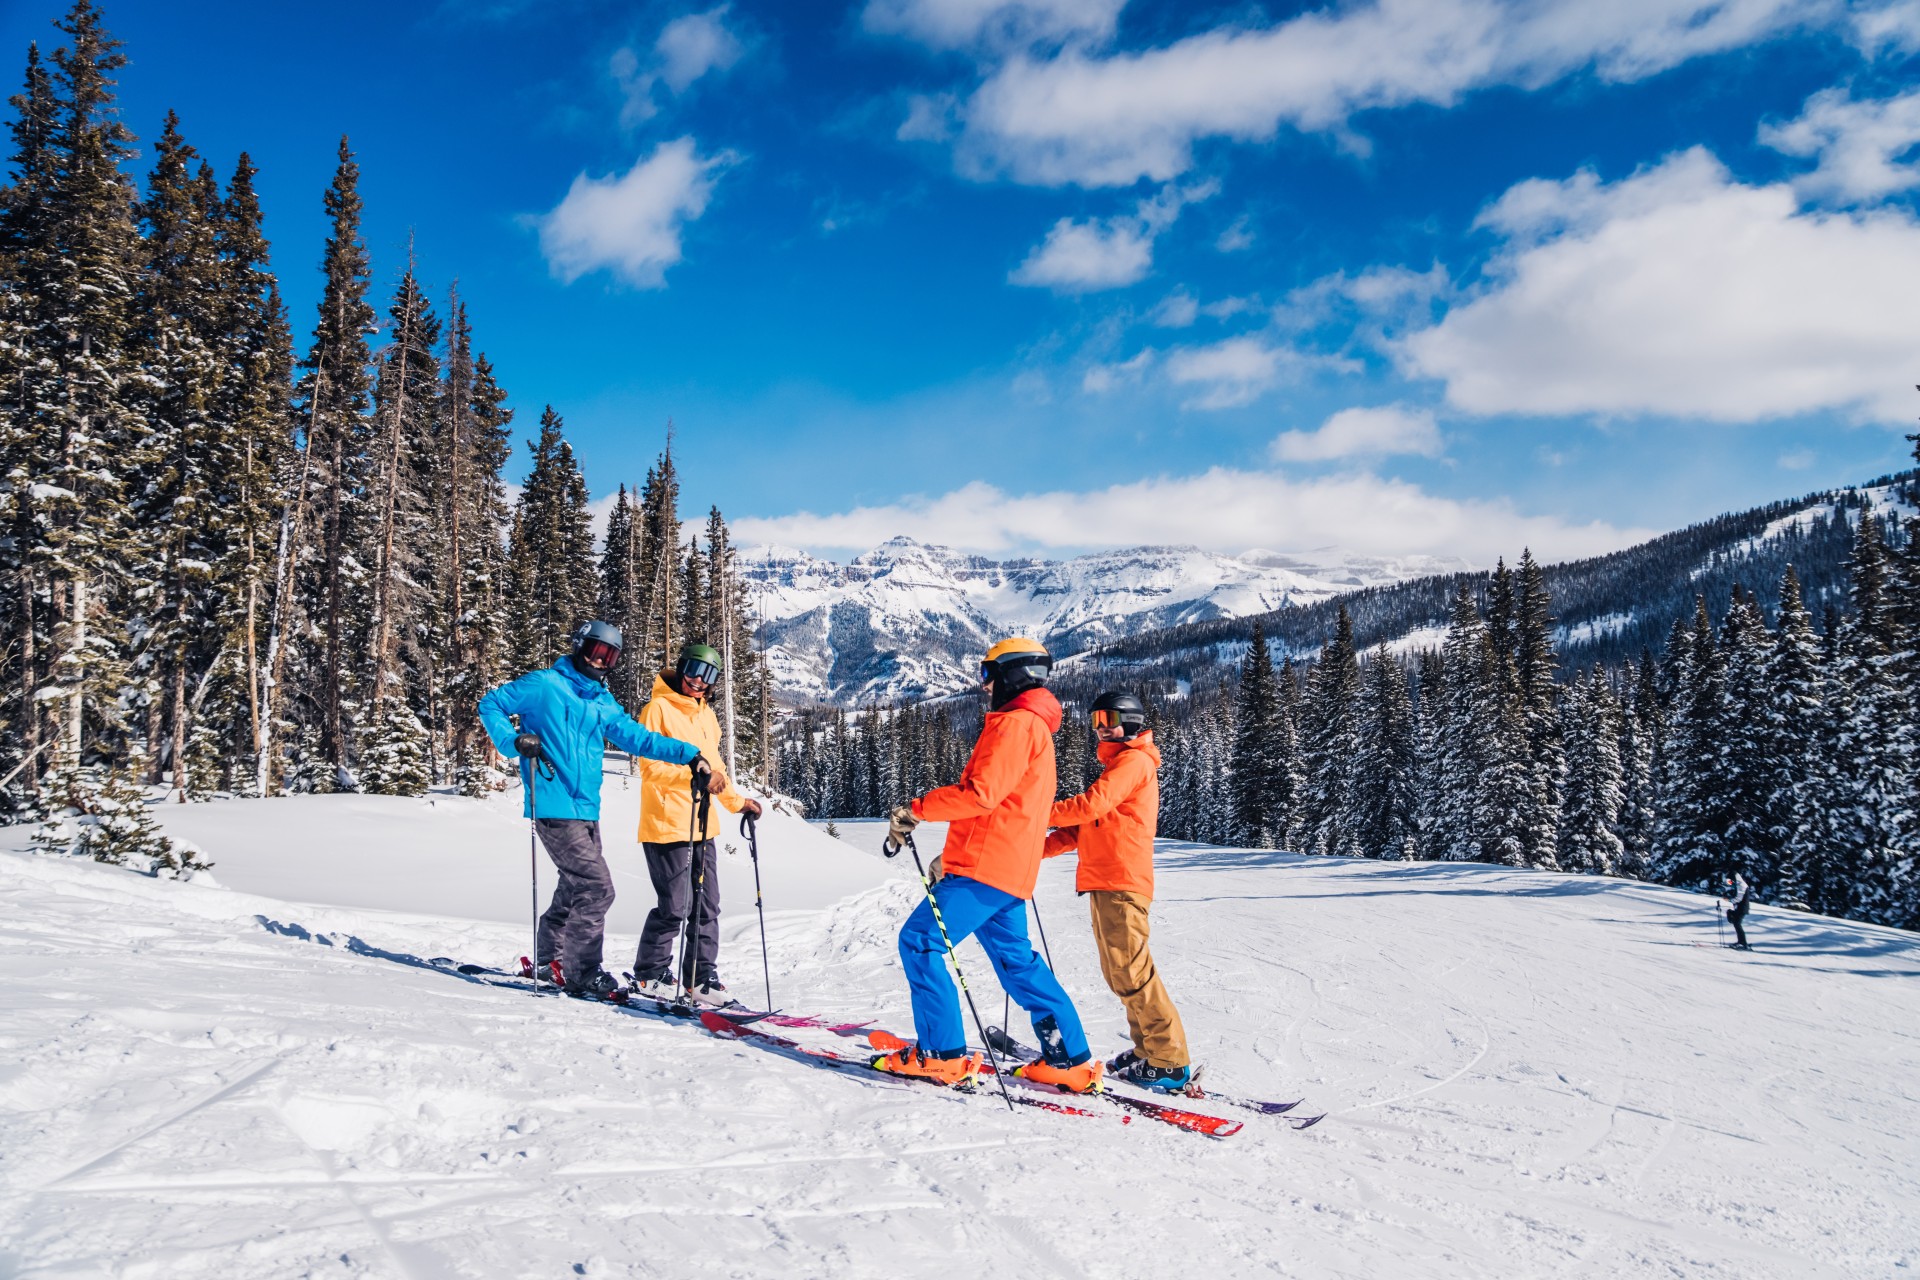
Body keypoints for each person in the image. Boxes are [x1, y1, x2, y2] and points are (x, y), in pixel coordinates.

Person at [876, 638, 1100, 1093]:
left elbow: (982, 794)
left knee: (920, 943)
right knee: (1018, 963)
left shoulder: (1015, 725)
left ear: (1012, 676)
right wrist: (951, 856)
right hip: (1006, 868)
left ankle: (940, 1056)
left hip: (985, 867)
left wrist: (917, 808)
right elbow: (1007, 807)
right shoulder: (1035, 727)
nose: (984, 686)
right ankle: (1069, 1060)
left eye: (988, 675)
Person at [479, 620, 707, 1000]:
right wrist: (513, 740)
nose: (601, 661)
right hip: (552, 803)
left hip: (586, 809)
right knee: (597, 888)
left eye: (611, 656)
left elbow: (637, 738)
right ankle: (582, 973)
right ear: (579, 647)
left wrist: (688, 754)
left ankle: (548, 959)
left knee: (574, 887)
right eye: (596, 651)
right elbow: (492, 703)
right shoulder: (544, 685)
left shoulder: (601, 702)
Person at [1043, 690, 1192, 1094]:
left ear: (1130, 720)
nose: (1100, 727)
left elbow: (1092, 804)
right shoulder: (1119, 765)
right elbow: (1079, 828)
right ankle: (1149, 1049)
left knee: (1133, 971)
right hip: (1104, 881)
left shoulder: (1133, 761)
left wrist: (1035, 809)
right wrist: (1032, 850)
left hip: (1121, 881)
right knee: (1120, 973)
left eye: (1108, 718)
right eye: (1095, 720)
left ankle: (1170, 1060)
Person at [629, 642, 763, 1005]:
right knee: (674, 906)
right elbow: (650, 767)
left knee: (707, 906)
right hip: (666, 822)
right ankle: (650, 973)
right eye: (693, 671)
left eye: (709, 676)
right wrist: (693, 777)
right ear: (681, 668)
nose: (699, 682)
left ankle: (699, 978)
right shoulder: (657, 709)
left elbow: (715, 767)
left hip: (703, 824)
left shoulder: (706, 714)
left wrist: (737, 803)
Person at [1722, 870, 1753, 950]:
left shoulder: (1741, 885)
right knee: (1736, 923)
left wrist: (1729, 900)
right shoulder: (1739, 884)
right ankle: (1741, 942)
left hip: (1742, 908)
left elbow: (1738, 899)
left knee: (1737, 924)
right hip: (1740, 908)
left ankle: (1743, 943)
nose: (1730, 882)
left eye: (1730, 880)